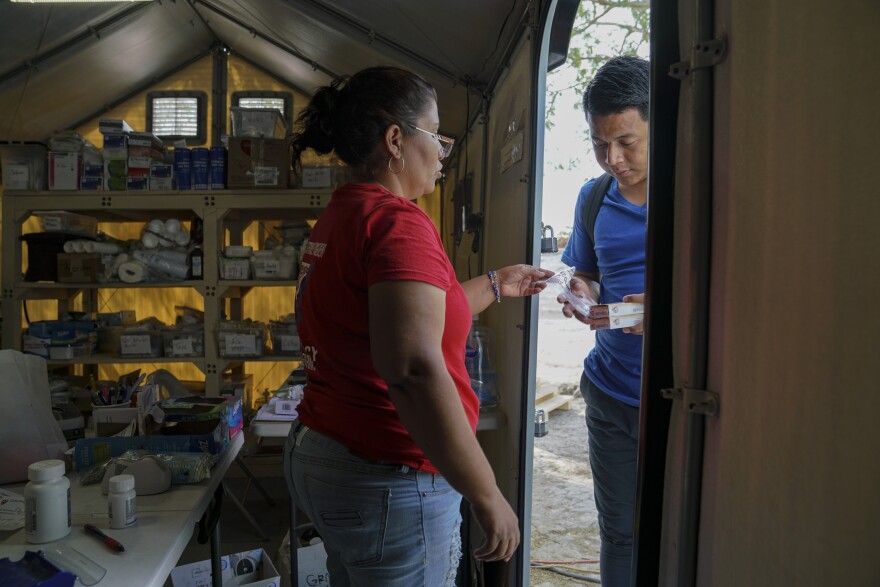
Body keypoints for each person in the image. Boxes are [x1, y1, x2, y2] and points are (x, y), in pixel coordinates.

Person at [284, 65, 551, 587]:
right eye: (437, 138)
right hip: (386, 473)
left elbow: (417, 316)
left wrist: (497, 283)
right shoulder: (398, 222)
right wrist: (486, 492)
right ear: (395, 141)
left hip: (328, 450)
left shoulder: (344, 213)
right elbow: (412, 367)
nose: (443, 155)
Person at [558, 55, 650, 586]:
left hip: (675, 400)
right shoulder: (593, 198)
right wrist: (579, 291)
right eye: (599, 143)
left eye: (626, 142)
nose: (611, 158)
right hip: (609, 393)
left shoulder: (698, 192)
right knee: (618, 532)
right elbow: (588, 272)